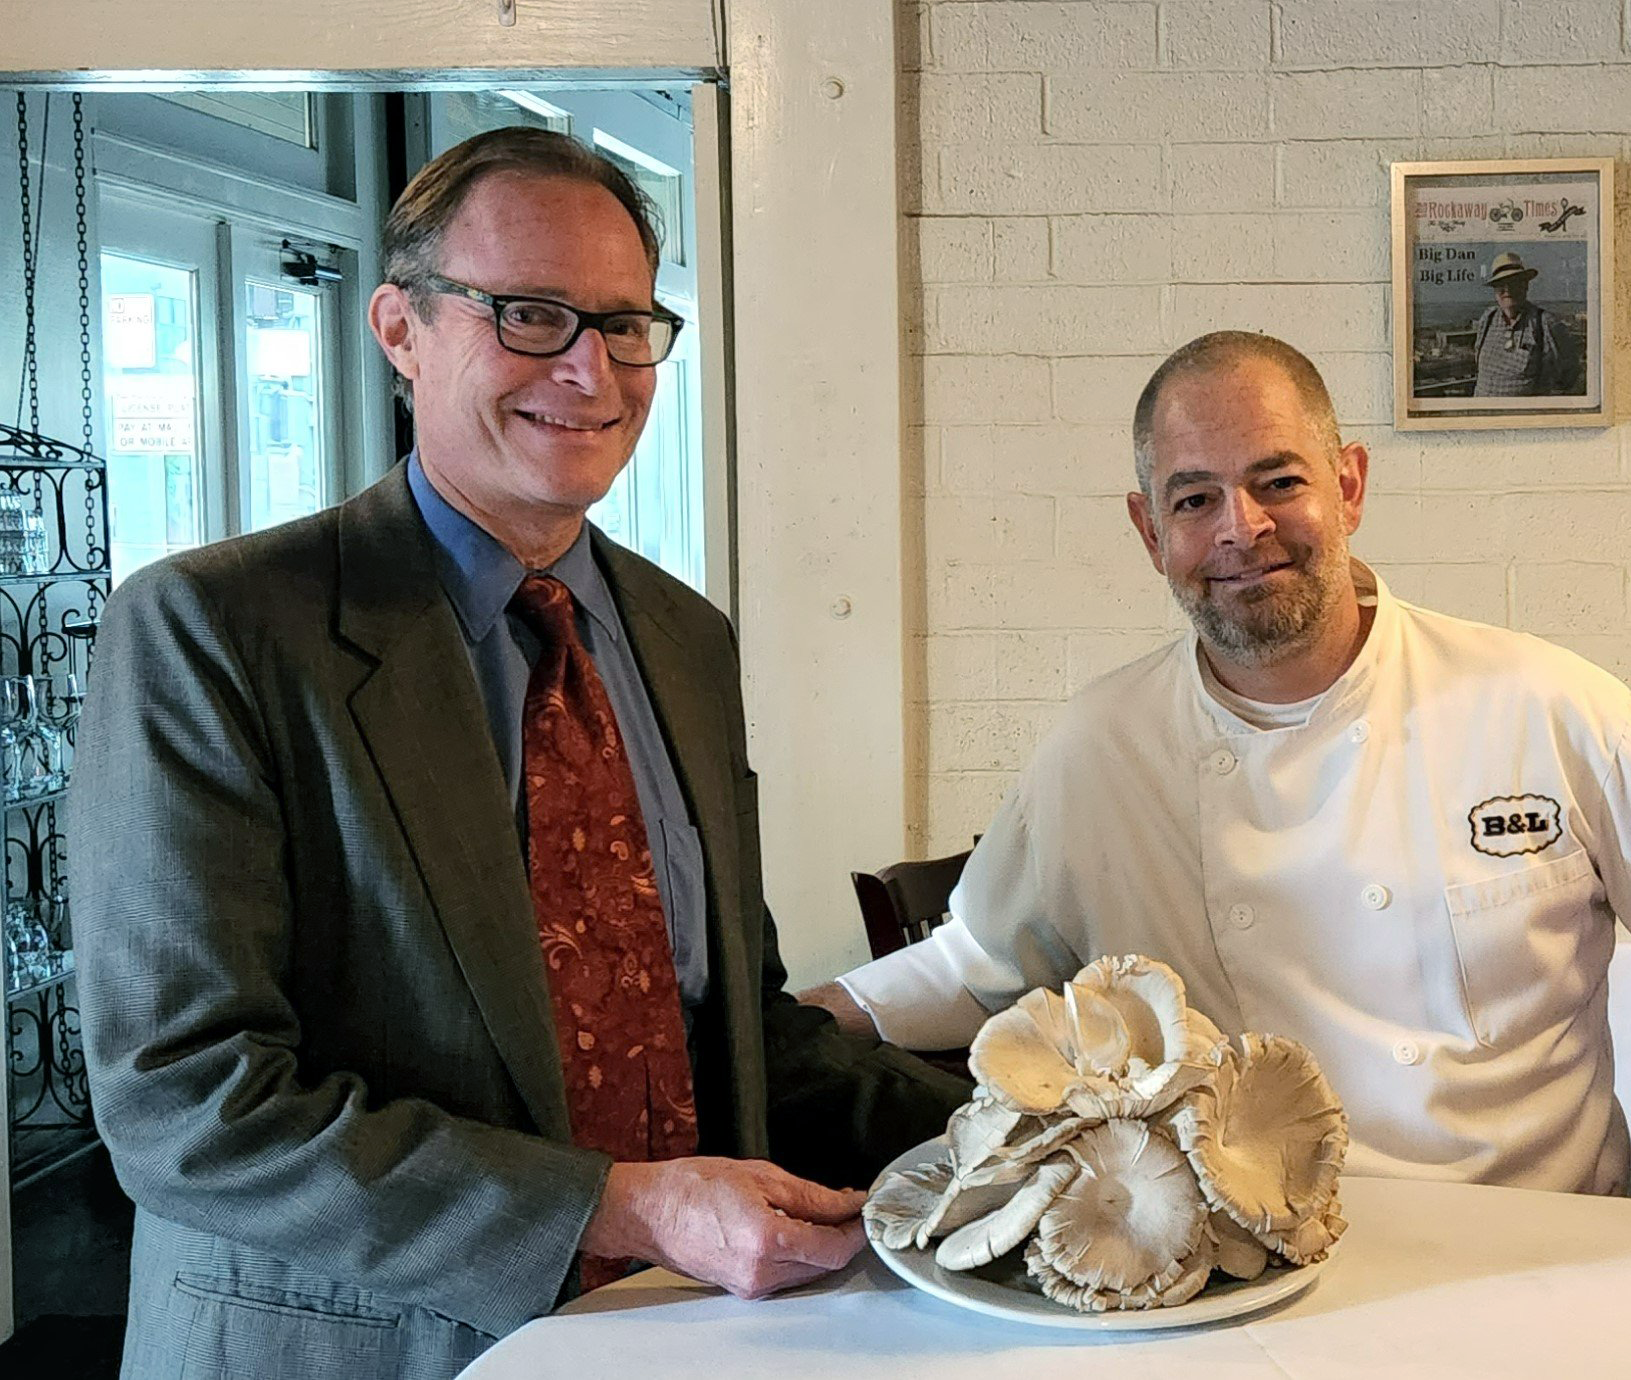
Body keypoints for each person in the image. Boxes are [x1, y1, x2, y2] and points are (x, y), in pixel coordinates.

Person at [67, 127, 966, 1380]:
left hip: (679, 1338)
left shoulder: (682, 640)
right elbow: (188, 1103)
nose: (590, 369)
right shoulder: (212, 631)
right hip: (351, 1353)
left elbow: (743, 1034)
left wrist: (1027, 1128)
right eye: (530, 315)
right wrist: (621, 1206)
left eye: (625, 321)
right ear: (399, 329)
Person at [805, 331, 1631, 1198]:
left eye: (1278, 482)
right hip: (1250, 1261)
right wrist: (769, 1033)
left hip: (1532, 1247)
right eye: (1195, 499)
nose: (1242, 528)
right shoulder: (1099, 746)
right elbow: (974, 966)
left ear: (1347, 485)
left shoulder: (1545, 704)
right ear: (1149, 530)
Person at [1472, 251, 1580, 396]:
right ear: (1494, 290)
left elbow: (1569, 375)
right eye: (1500, 284)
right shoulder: (1488, 318)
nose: (1507, 290)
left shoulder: (1545, 323)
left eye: (1513, 282)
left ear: (1525, 285)